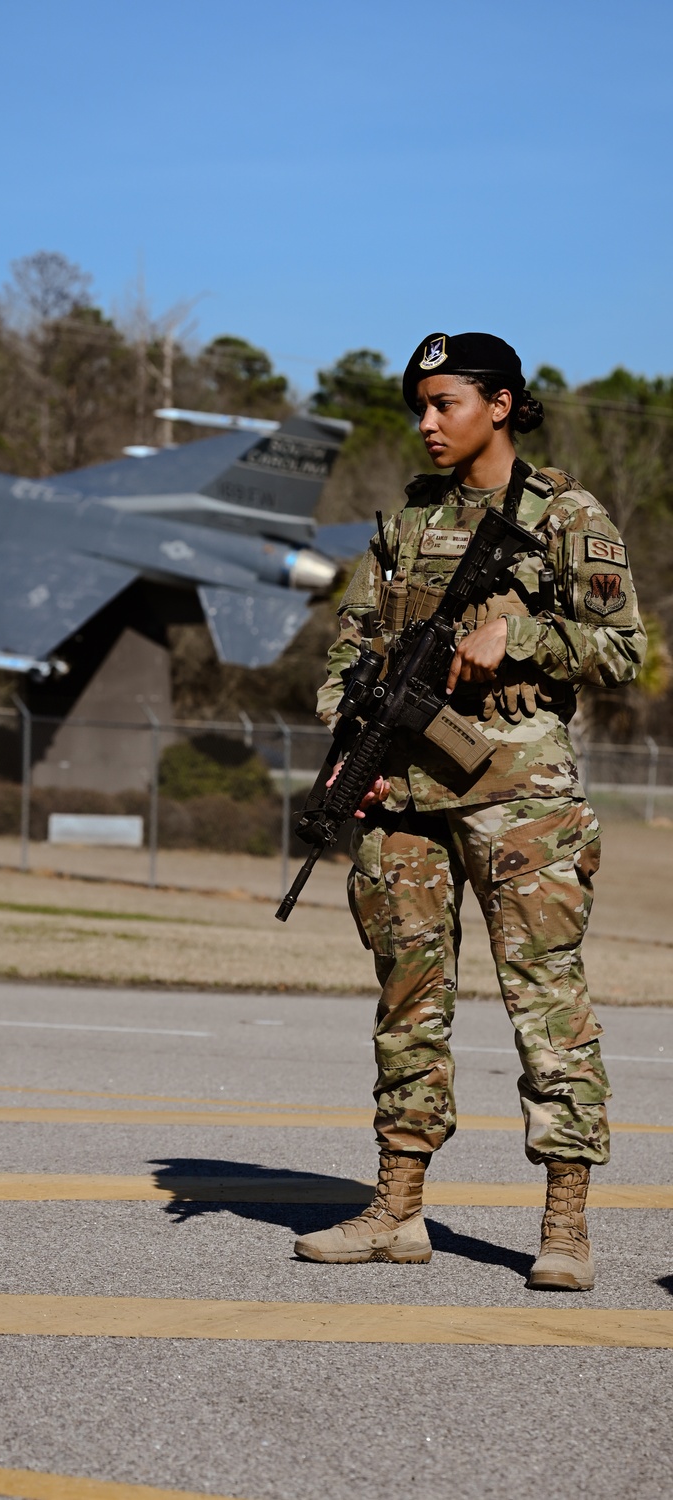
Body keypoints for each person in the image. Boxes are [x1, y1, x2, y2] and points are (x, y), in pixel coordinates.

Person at [294, 331, 646, 1290]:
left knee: (546, 999)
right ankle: (397, 1211)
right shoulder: (407, 519)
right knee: (409, 999)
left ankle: (565, 1226)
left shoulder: (568, 514)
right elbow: (352, 644)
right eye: (419, 405)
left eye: (444, 402)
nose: (426, 423)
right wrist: (347, 739)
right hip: (403, 792)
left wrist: (520, 633)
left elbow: (624, 649)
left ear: (499, 403)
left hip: (519, 793)